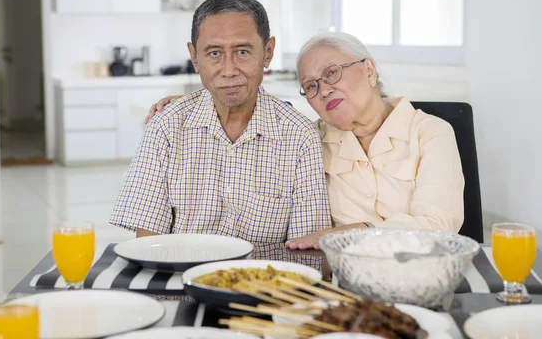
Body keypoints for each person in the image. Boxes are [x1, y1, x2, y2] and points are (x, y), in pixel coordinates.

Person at [146, 32, 465, 250]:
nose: (323, 90)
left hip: (420, 274)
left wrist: (357, 231)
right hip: (340, 280)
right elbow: (258, 117)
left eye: (332, 73)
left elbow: (437, 225)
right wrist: (201, 105)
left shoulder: (431, 133)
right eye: (310, 86)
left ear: (369, 70)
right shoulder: (310, 139)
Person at [110, 0, 331, 244]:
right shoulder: (166, 127)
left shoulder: (300, 137)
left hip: (262, 279)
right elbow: (148, 243)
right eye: (214, 53)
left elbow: (305, 251)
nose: (228, 70)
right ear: (194, 57)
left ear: (267, 52)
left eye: (243, 52)